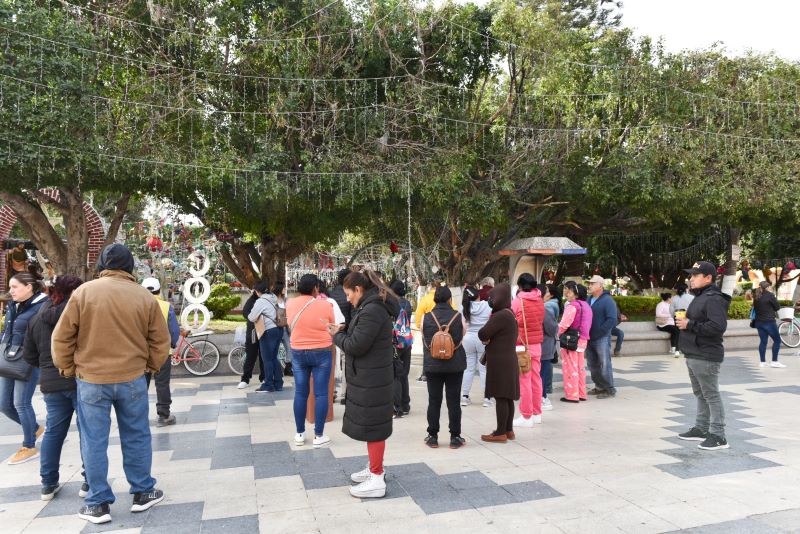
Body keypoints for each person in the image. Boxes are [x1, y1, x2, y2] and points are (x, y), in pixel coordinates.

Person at [52, 243, 171, 524]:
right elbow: (160, 340)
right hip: (132, 378)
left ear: (102, 266)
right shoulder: (144, 297)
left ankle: (97, 503)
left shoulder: (83, 293)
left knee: (93, 441)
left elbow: (61, 338)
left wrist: (68, 367)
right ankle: (143, 492)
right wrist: (149, 368)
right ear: (130, 267)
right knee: (137, 435)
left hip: (91, 379)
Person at [329, 270, 398, 499]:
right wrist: (344, 330)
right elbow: (360, 334)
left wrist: (335, 336)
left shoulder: (372, 310)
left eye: (348, 293)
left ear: (359, 290)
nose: (347, 298)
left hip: (372, 379)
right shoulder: (370, 307)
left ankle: (377, 478)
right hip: (371, 377)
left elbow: (357, 345)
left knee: (374, 427)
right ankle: (374, 467)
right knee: (373, 426)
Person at [22, 275, 88, 500]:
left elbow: (29, 356)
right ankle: (89, 481)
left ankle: (48, 484)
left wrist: (47, 367)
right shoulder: (79, 315)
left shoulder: (36, 317)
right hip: (79, 380)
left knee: (53, 432)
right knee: (87, 431)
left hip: (50, 383)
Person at [675, 261, 731, 451]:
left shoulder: (713, 298)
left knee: (711, 394)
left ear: (708, 278)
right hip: (693, 353)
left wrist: (689, 325)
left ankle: (718, 435)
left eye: (695, 275)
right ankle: (701, 428)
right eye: (690, 276)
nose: (691, 279)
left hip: (706, 354)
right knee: (700, 393)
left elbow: (717, 327)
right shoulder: (700, 297)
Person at [0, 272, 47, 465]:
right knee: (4, 404)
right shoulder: (14, 304)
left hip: (29, 360)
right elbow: (7, 330)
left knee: (21, 403)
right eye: (10, 287)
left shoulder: (43, 305)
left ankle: (29, 446)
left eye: (15, 287)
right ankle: (35, 428)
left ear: (29, 287)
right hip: (8, 357)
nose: (11, 291)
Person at [287, 274, 335, 448]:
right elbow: (332, 326)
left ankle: (299, 434)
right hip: (322, 351)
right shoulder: (325, 304)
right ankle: (318, 435)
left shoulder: (290, 303)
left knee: (301, 392)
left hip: (298, 351)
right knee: (321, 393)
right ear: (316, 287)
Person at [421, 286, 467, 449]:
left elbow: (425, 338)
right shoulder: (458, 316)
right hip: (454, 364)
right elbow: (462, 335)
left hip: (433, 365)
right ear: (450, 299)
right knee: (453, 401)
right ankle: (455, 437)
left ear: (434, 299)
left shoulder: (426, 317)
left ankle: (432, 436)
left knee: (434, 400)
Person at [478, 283, 520, 443]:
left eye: (491, 298)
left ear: (499, 298)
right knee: (507, 397)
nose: (489, 300)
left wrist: (487, 337)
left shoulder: (500, 315)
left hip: (500, 362)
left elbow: (483, 333)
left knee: (501, 397)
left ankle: (500, 432)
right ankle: (508, 430)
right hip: (508, 359)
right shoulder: (509, 313)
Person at [141, 277, 181, 426]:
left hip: (141, 353)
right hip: (163, 353)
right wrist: (172, 344)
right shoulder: (165, 306)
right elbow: (174, 330)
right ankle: (164, 415)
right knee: (162, 384)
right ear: (158, 290)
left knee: (140, 385)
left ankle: (139, 417)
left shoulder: (137, 305)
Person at [510, 274, 545, 427]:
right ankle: (537, 414)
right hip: (537, 344)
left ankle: (526, 416)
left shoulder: (518, 301)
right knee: (536, 379)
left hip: (523, 346)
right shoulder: (540, 300)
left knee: (524, 380)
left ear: (520, 286)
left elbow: (511, 320)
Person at [247, 279, 284, 392]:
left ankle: (268, 384)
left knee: (267, 359)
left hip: (268, 332)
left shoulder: (260, 301)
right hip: (278, 329)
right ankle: (278, 383)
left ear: (257, 291)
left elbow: (251, 317)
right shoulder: (273, 297)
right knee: (273, 357)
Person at [558, 281, 592, 403]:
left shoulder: (572, 306)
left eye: (570, 291)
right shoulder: (587, 306)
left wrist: (557, 333)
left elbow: (564, 324)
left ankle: (572, 395)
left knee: (570, 368)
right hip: (583, 340)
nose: (567, 293)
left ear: (576, 294)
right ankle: (582, 393)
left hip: (571, 340)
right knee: (580, 368)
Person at [586, 275, 618, 399]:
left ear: (600, 285)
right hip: (589, 337)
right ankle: (599, 386)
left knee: (604, 363)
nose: (590, 285)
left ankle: (609, 388)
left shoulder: (608, 300)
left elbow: (612, 320)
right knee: (592, 364)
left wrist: (600, 331)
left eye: (592, 283)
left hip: (601, 337)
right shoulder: (589, 299)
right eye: (589, 283)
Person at [460, 286, 491, 408]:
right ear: (478, 294)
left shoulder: (464, 308)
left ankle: (465, 396)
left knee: (468, 369)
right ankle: (487, 398)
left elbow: (463, 326)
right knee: (484, 369)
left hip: (468, 339)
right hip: (483, 339)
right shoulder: (487, 305)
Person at [389, 280, 413, 417]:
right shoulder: (407, 303)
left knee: (395, 375)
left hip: (395, 343)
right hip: (406, 341)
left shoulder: (391, 303)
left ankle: (396, 406)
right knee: (404, 374)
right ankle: (405, 404)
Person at [329, 269, 352, 403]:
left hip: (331, 333)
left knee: (332, 363)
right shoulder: (348, 294)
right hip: (345, 332)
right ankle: (345, 394)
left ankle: (332, 392)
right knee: (345, 363)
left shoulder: (331, 294)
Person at [752, 281, 785, 368]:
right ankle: (774, 361)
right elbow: (777, 307)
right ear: (767, 287)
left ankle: (762, 362)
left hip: (759, 322)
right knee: (777, 341)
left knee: (763, 341)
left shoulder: (756, 296)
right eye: (769, 287)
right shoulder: (770, 295)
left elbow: (755, 308)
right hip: (769, 322)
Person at [237, 289, 264, 389]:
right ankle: (245, 379)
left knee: (263, 356)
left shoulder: (266, 300)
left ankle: (264, 378)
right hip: (252, 332)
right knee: (250, 356)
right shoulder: (251, 301)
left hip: (263, 331)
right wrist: (255, 317)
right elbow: (245, 313)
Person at [540, 284, 561, 411]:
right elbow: (552, 328)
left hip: (533, 345)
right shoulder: (545, 309)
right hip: (545, 345)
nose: (548, 294)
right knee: (543, 372)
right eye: (546, 292)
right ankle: (543, 396)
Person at [656, 293, 681, 357]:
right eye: (671, 297)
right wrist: (670, 315)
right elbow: (658, 314)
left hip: (672, 323)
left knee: (676, 330)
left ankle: (674, 348)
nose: (673, 298)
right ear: (668, 298)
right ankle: (675, 349)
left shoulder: (672, 305)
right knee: (675, 330)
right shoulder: (661, 304)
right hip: (663, 324)